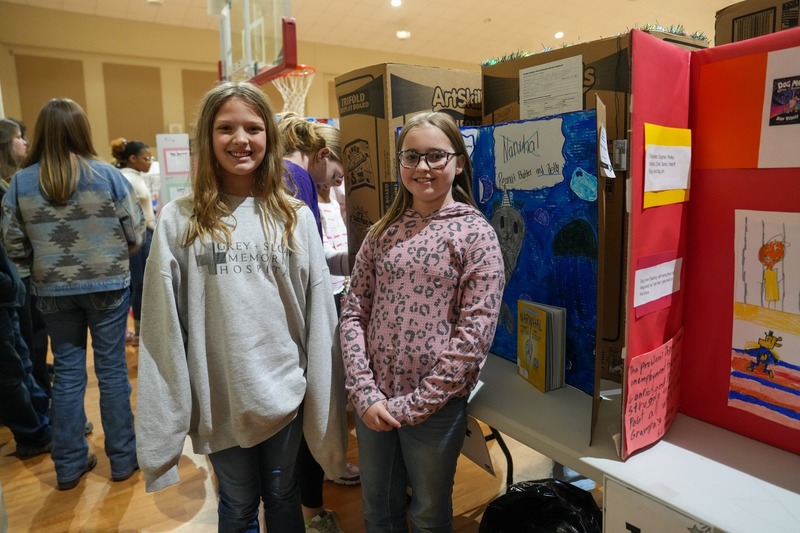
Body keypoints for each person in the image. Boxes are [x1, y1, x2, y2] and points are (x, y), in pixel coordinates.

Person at [135, 81, 347, 533]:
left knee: (284, 494)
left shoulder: (295, 217)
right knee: (237, 502)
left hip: (285, 393)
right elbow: (161, 328)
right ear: (207, 137)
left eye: (253, 128)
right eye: (225, 128)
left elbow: (319, 317)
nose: (240, 139)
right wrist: (162, 436)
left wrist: (325, 410)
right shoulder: (179, 220)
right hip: (219, 398)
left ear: (269, 135)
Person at [339, 111, 506, 532]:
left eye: (436, 156)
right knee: (378, 510)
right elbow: (354, 310)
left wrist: (416, 405)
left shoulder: (476, 235)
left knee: (429, 515)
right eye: (411, 156)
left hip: (435, 408)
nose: (422, 167)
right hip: (374, 401)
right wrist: (364, 391)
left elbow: (474, 336)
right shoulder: (382, 232)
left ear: (459, 162)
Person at [1, 98, 145, 490]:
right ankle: (122, 458)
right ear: (82, 130)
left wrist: (42, 265)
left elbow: (13, 244)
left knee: (66, 372)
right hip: (108, 286)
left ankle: (67, 464)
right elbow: (135, 231)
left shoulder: (21, 183)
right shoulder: (107, 176)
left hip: (52, 289)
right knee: (112, 371)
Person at [279, 113, 357, 533]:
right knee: (313, 407)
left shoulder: (288, 175)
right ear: (322, 154)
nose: (334, 184)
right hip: (301, 313)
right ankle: (311, 511)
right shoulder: (297, 178)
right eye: (336, 175)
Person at [0, 238, 52, 458]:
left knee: (23, 364)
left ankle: (44, 422)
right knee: (10, 376)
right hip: (7, 294)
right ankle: (33, 435)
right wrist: (8, 284)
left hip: (8, 300)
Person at [111, 138, 156, 345]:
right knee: (138, 284)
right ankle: (137, 332)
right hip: (137, 238)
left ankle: (139, 331)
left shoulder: (135, 176)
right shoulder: (125, 178)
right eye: (146, 158)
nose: (149, 162)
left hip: (145, 235)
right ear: (132, 159)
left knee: (141, 284)